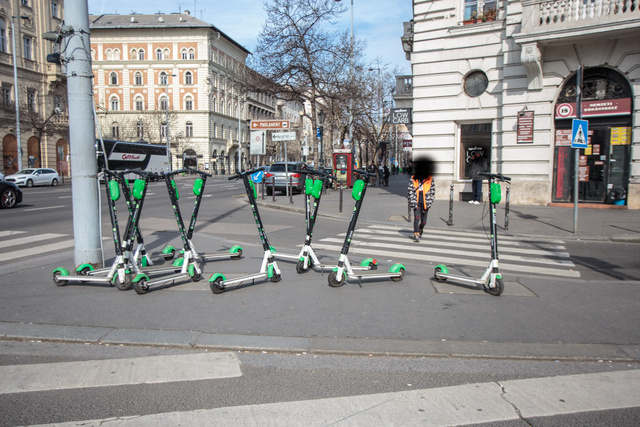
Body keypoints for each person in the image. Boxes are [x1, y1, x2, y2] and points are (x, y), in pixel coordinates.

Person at [407, 159, 436, 243]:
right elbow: (410, 191)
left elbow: (432, 192)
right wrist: (413, 202)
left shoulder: (430, 179)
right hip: (416, 200)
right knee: (417, 218)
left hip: (425, 201)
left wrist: (429, 202)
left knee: (423, 221)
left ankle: (421, 228)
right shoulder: (413, 179)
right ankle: (416, 233)